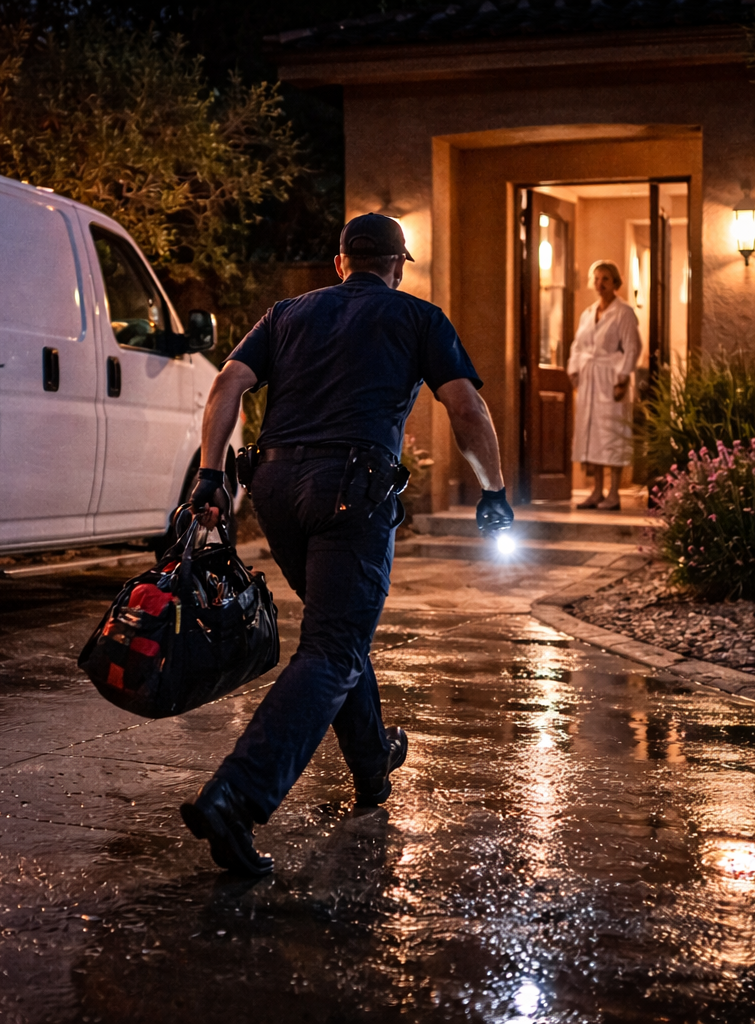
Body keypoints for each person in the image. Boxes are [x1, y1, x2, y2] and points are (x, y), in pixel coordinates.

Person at [180, 213, 512, 876]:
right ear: (396, 265)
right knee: (333, 648)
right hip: (351, 490)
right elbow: (467, 409)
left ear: (341, 263)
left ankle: (373, 764)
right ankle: (235, 796)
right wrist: (493, 491)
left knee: (336, 631)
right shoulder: (419, 317)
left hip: (274, 488)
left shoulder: (286, 314)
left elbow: (226, 385)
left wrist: (212, 476)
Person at [566, 261, 641, 511]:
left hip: (610, 379)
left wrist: (622, 378)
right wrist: (574, 370)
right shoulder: (588, 314)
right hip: (589, 379)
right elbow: (578, 345)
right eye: (597, 278)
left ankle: (614, 492)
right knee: (591, 435)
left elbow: (632, 347)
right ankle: (596, 490)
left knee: (612, 433)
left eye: (605, 279)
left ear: (615, 282)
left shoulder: (624, 312)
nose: (600, 284)